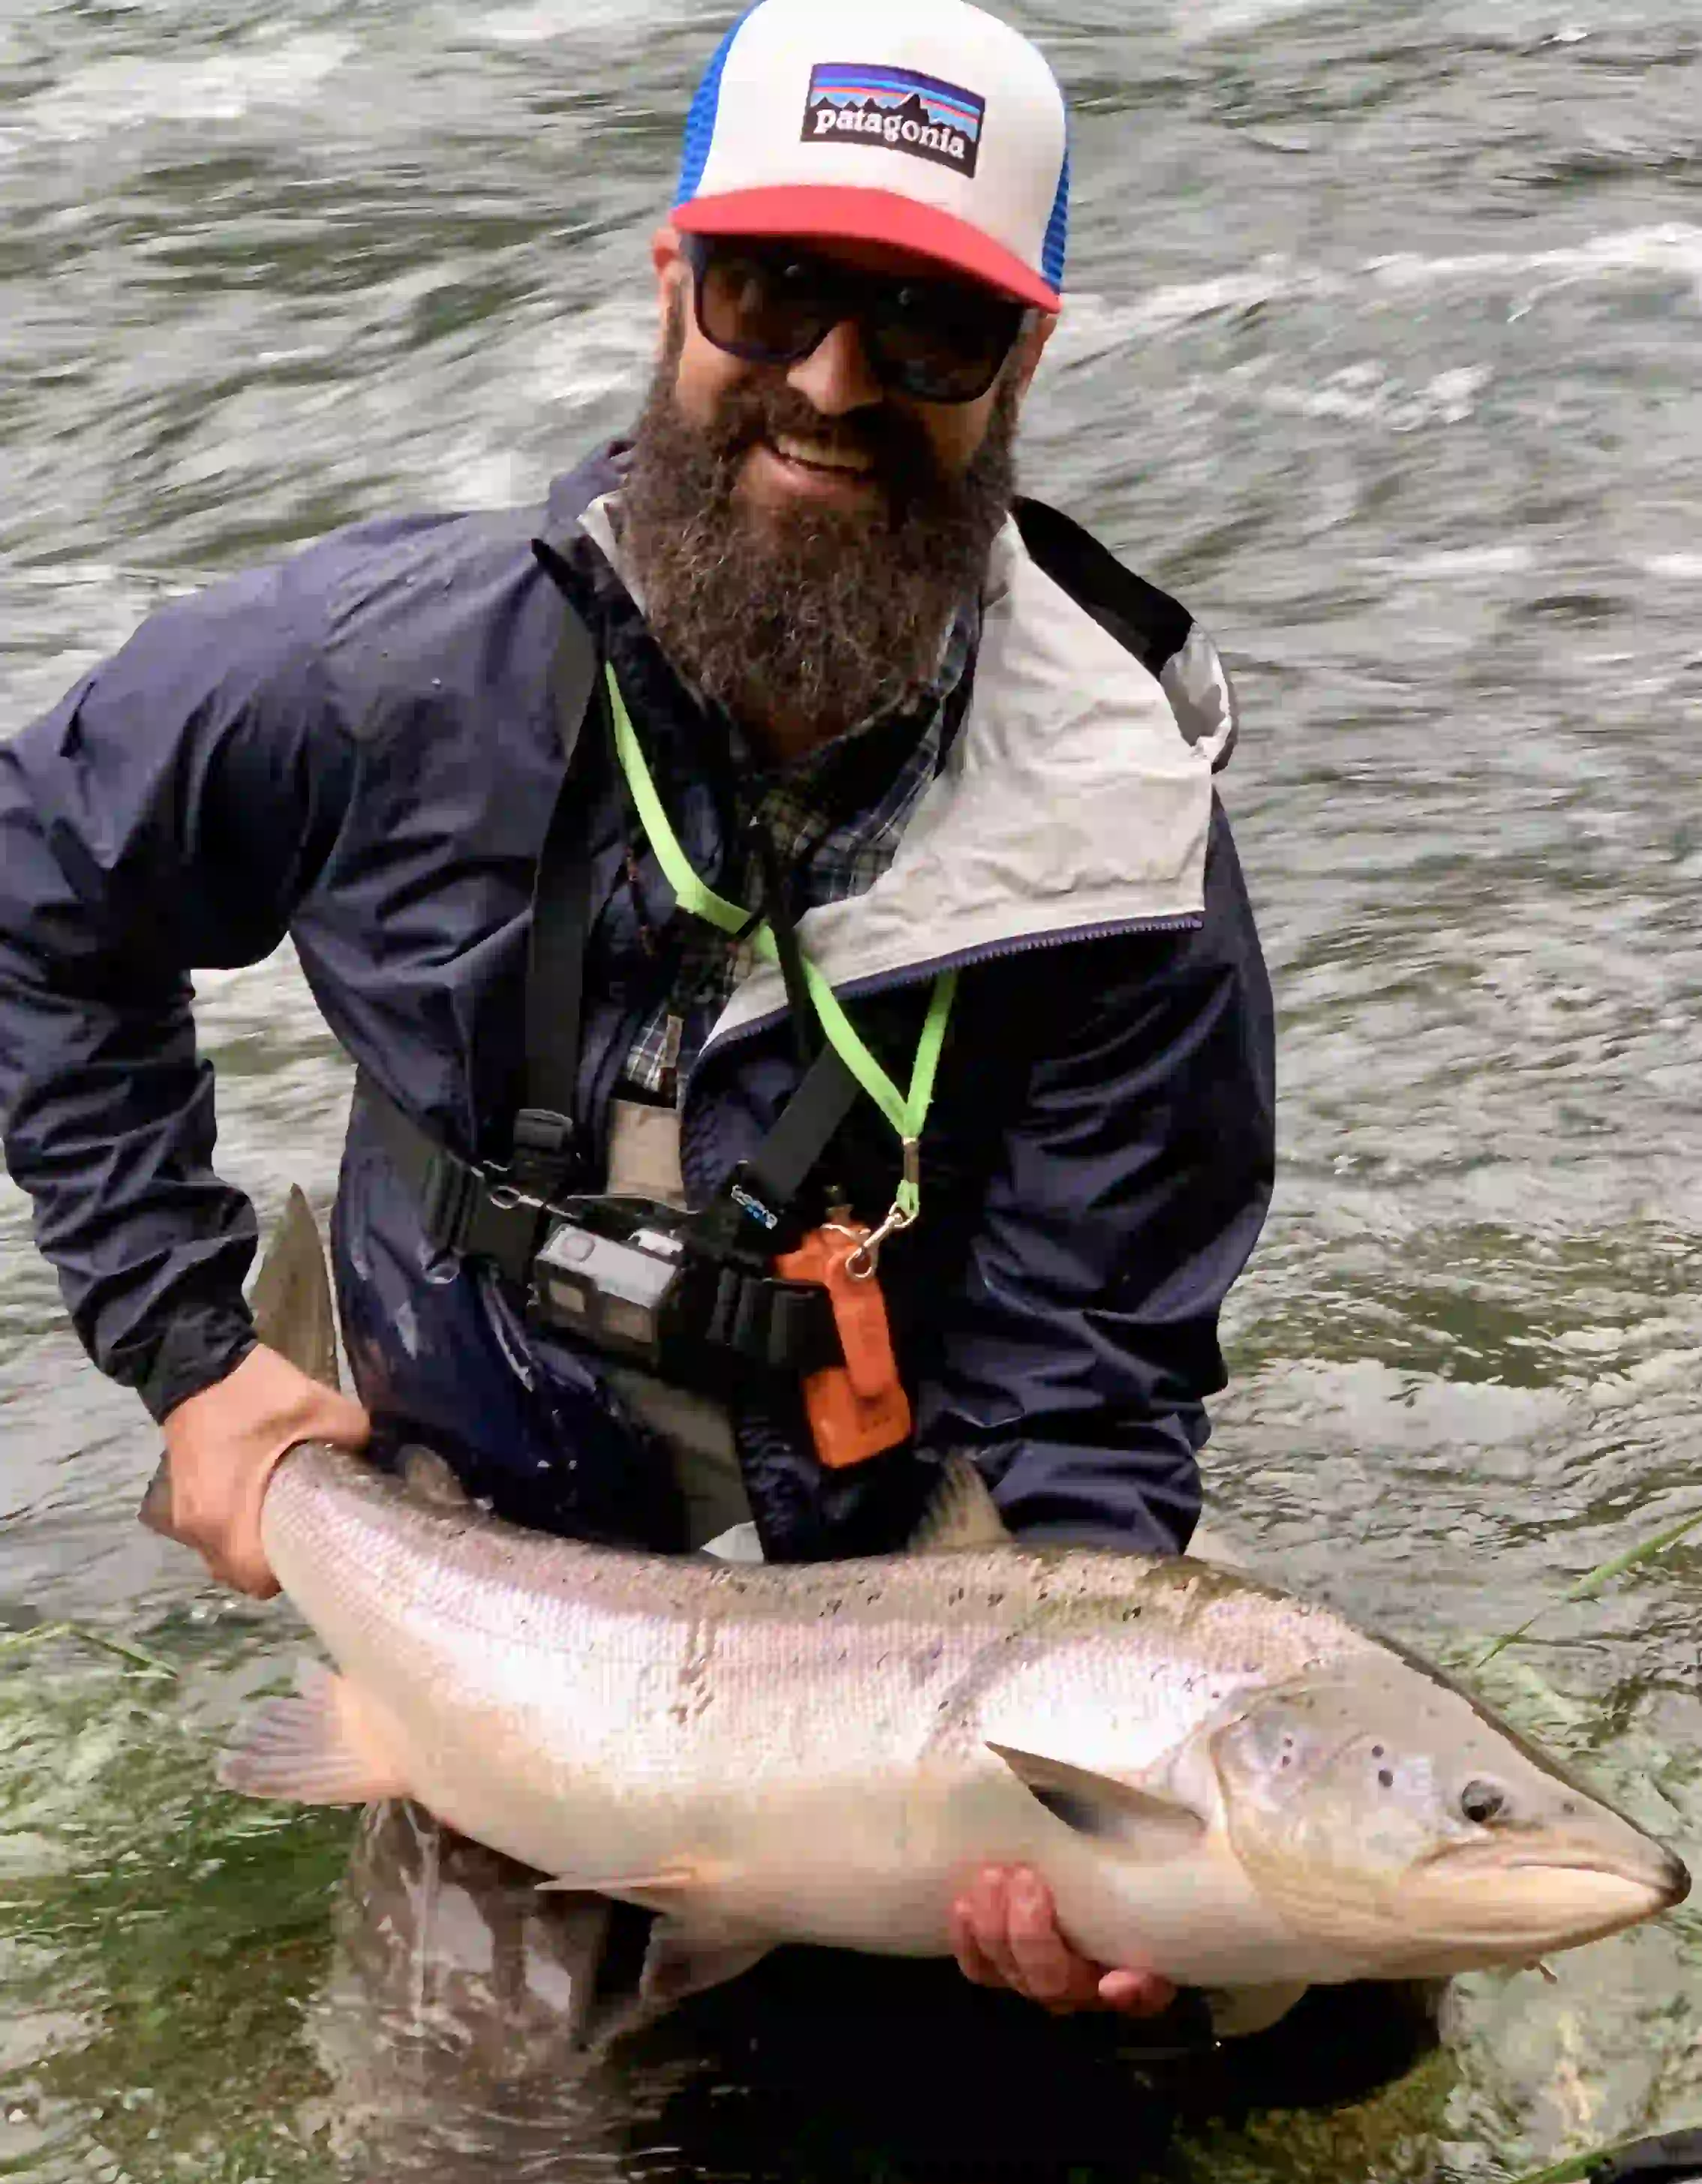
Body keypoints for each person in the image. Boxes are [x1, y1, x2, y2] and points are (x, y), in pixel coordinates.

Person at [0, 0, 1273, 2022]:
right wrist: (189, 1350)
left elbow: (1090, 1386)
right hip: (487, 1584)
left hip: (890, 1624)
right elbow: (37, 879)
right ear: (674, 281)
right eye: (773, 292)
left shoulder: (1124, 853)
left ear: (1021, 360)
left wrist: (1066, 1780)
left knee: (1292, 2007)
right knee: (476, 2168)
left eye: (926, 326)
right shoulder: (380, 675)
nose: (832, 382)